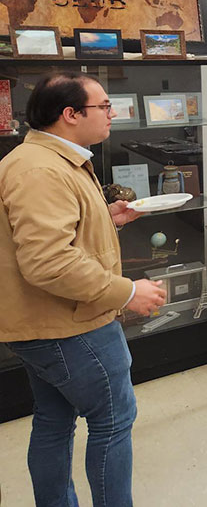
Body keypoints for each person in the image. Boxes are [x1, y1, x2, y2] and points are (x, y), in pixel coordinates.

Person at [0, 72, 167, 506]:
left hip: (46, 322)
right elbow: (48, 262)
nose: (112, 114)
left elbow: (53, 235)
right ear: (70, 114)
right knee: (114, 420)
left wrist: (106, 217)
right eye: (104, 106)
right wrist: (127, 292)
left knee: (54, 419)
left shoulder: (51, 160)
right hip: (68, 325)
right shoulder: (41, 170)